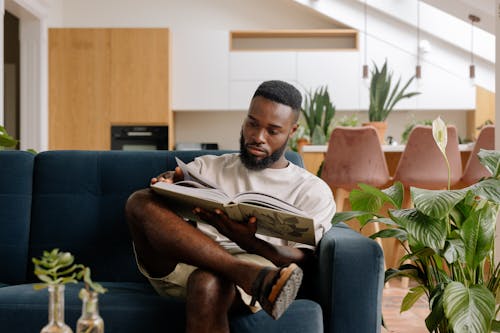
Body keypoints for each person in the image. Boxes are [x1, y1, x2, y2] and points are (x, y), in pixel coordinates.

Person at [125, 80, 336, 333]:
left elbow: (303, 260)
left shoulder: (311, 190)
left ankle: (246, 273)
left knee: (207, 283)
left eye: (273, 130)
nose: (258, 137)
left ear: (292, 131)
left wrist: (250, 242)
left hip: (251, 265)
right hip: (182, 264)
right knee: (139, 200)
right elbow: (163, 199)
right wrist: (167, 182)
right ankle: (246, 275)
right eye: (252, 123)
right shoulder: (208, 166)